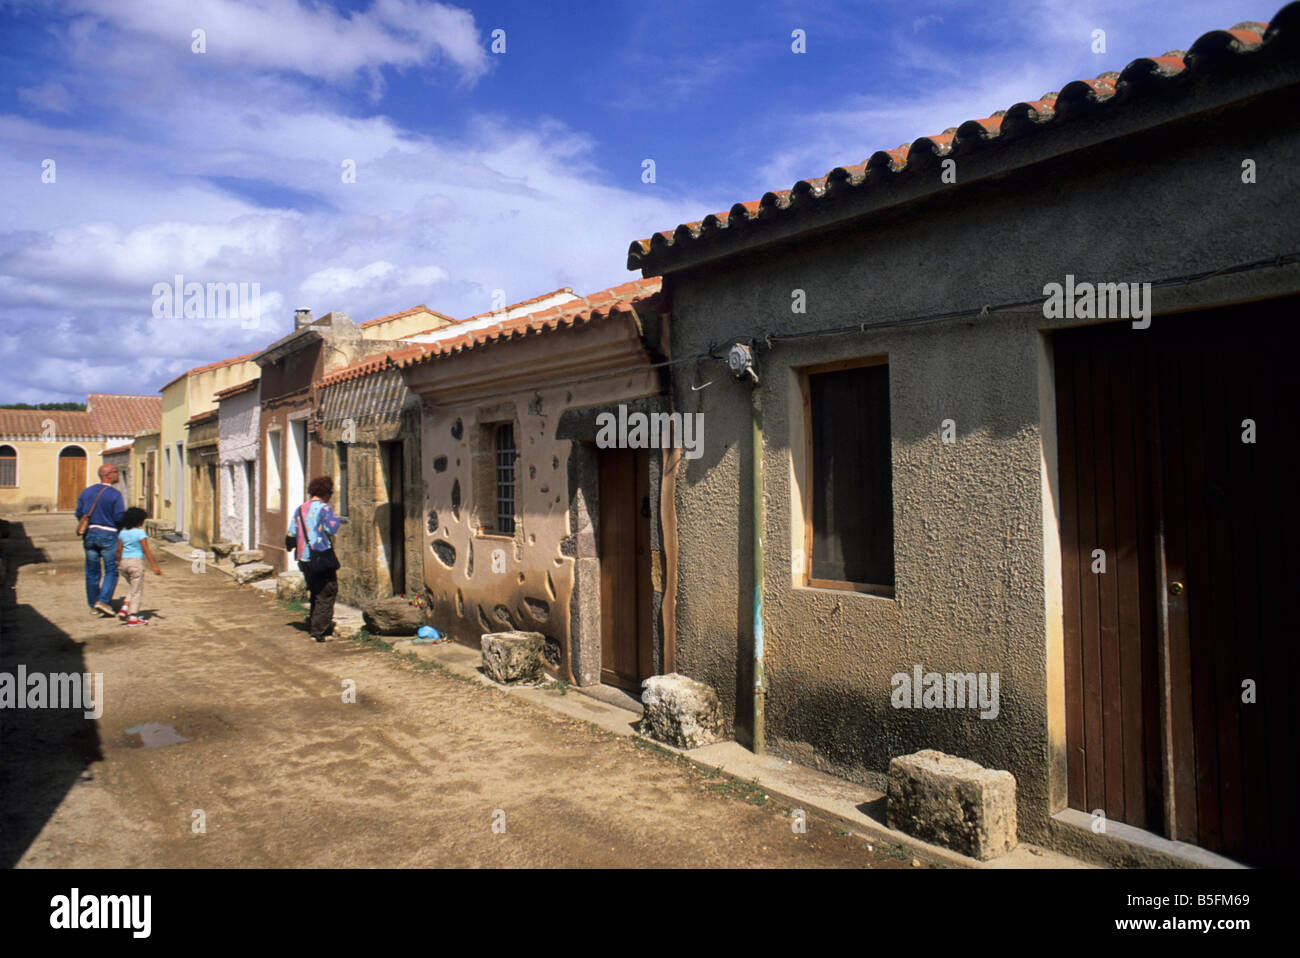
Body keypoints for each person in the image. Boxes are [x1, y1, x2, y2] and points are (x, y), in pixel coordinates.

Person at [288, 476, 342, 642]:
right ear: (327, 493)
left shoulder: (300, 509)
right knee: (327, 592)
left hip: (303, 558)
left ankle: (314, 623)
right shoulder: (325, 509)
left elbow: (291, 534)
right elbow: (332, 528)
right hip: (320, 555)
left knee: (315, 591)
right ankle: (318, 631)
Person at [76, 463, 125, 617]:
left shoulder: (87, 492)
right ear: (108, 475)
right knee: (111, 570)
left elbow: (79, 513)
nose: (118, 474)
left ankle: (93, 605)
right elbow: (119, 517)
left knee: (92, 571)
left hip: (90, 534)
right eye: (116, 472)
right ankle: (103, 601)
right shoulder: (115, 495)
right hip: (108, 534)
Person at [115, 507, 162, 625]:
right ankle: (133, 617)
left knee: (133, 587)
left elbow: (118, 550)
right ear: (140, 521)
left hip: (124, 563)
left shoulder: (122, 533)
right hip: (136, 563)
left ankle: (124, 608)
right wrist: (154, 565)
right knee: (137, 591)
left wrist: (118, 563)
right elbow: (146, 550)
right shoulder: (141, 533)